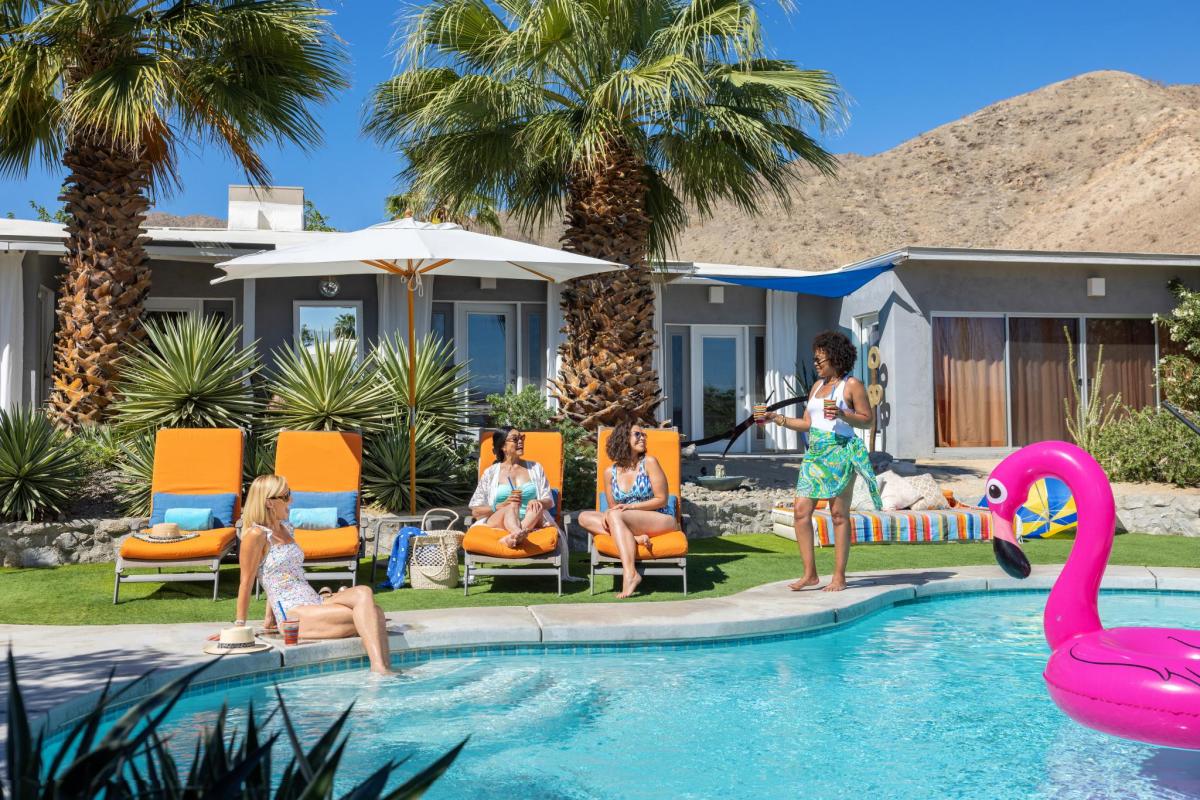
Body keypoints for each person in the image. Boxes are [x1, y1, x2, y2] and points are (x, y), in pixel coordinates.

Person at [212, 474, 393, 674]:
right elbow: (246, 582)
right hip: (293, 612)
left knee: (364, 592)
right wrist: (239, 628)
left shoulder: (286, 528)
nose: (292, 500)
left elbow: (280, 573)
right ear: (269, 502)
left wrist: (267, 619)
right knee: (374, 614)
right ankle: (380, 669)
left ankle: (383, 668)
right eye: (286, 495)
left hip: (314, 600)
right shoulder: (256, 535)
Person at [763, 330, 881, 592]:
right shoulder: (816, 386)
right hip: (814, 455)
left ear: (836, 358)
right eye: (814, 360)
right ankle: (810, 574)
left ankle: (839, 576)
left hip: (840, 452)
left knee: (839, 515)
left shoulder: (852, 385)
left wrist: (842, 412)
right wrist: (778, 419)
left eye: (820, 359)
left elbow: (868, 419)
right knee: (801, 512)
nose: (815, 363)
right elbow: (807, 423)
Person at [578, 420, 677, 598]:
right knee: (583, 517)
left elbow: (662, 500)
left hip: (658, 517)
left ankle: (630, 573)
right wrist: (611, 512)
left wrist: (631, 506)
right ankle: (634, 539)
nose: (643, 438)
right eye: (637, 434)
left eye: (644, 434)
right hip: (625, 521)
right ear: (623, 439)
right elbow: (612, 507)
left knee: (615, 515)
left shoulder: (650, 463)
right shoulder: (610, 473)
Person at [468, 427, 556, 549]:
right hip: (500, 520)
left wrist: (538, 501)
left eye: (522, 438)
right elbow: (475, 511)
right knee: (510, 507)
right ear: (503, 447)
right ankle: (517, 532)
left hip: (531, 518)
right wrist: (499, 506)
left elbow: (549, 501)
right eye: (515, 439)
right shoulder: (491, 473)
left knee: (536, 509)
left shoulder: (535, 468)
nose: (520, 441)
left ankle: (513, 537)